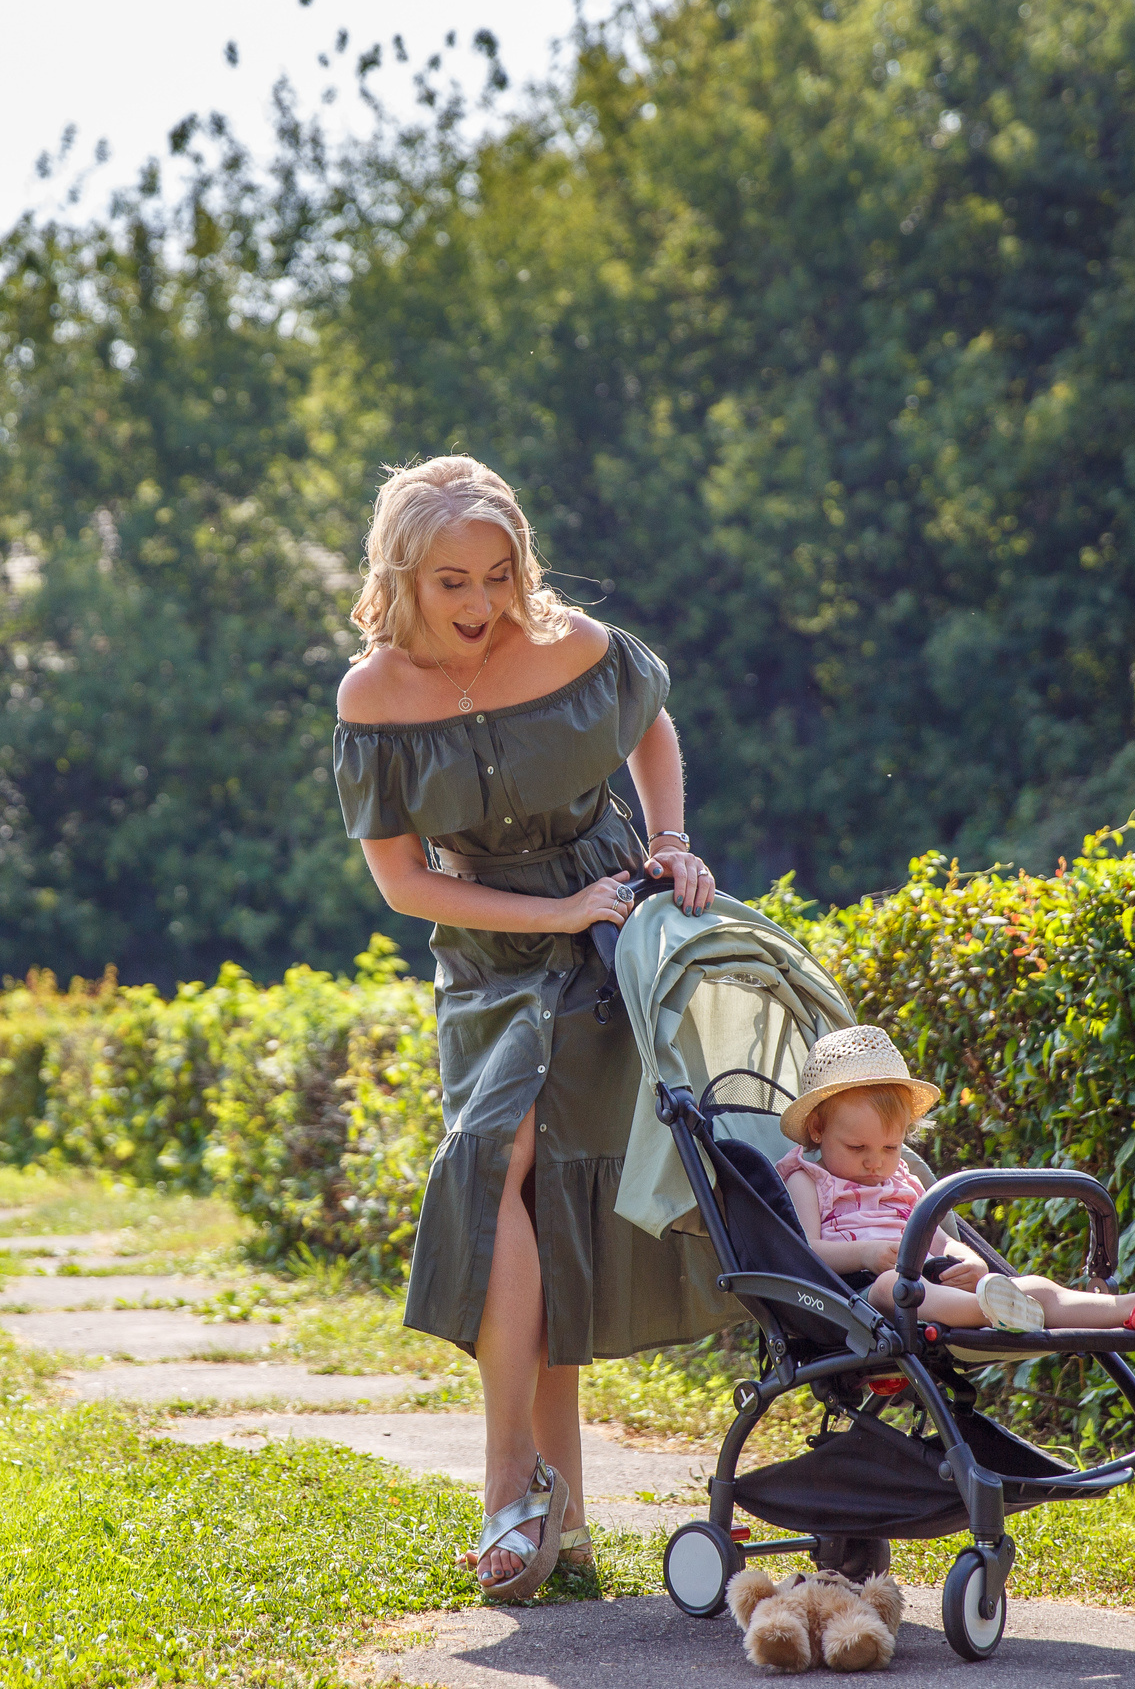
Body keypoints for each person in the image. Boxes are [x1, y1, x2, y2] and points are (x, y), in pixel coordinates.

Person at [332, 454, 735, 1603]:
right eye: (452, 580)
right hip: (488, 959)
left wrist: (669, 843)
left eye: (497, 574)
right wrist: (546, 913)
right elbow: (404, 883)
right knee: (493, 1159)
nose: (479, 602)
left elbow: (651, 728)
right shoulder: (371, 697)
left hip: (609, 939)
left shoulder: (572, 647)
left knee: (543, 1186)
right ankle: (523, 1484)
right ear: (402, 574)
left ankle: (535, 1502)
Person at [776, 1026, 1135, 1341]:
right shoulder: (808, 1180)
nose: (875, 1162)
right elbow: (804, 1250)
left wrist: (969, 1261)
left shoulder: (902, 1183)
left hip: (930, 1284)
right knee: (889, 1285)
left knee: (1036, 1287)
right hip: (858, 1298)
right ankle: (996, 1311)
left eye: (890, 1147)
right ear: (817, 1129)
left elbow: (940, 1240)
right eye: (858, 1148)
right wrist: (865, 1254)